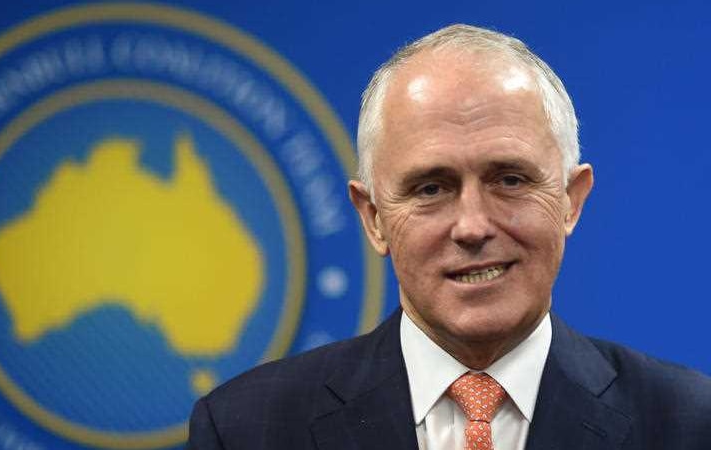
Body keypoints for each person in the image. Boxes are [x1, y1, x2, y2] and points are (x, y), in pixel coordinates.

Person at [188, 24, 711, 450]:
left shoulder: (690, 423)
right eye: (431, 188)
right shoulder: (245, 428)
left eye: (510, 180)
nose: (473, 226)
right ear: (373, 218)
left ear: (571, 200)